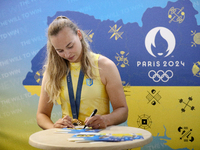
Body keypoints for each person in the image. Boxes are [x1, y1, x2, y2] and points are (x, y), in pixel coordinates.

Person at [36, 16, 128, 130]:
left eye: (70, 46)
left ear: (79, 35)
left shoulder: (105, 66)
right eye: (60, 50)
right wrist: (54, 128)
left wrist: (106, 120)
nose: (67, 54)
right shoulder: (53, 71)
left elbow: (122, 110)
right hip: (67, 141)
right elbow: (41, 115)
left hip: (99, 140)